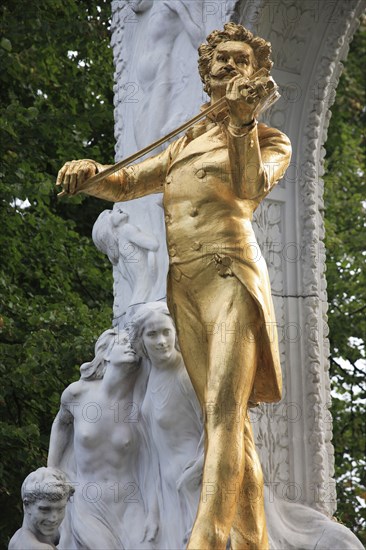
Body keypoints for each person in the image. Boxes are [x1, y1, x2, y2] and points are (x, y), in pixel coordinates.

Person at [56, 22, 291, 550]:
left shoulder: (270, 138)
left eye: (239, 60)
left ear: (255, 74)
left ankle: (203, 541)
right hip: (184, 285)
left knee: (225, 413)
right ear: (207, 73)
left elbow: (249, 189)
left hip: (232, 276)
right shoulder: (185, 140)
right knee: (223, 424)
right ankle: (254, 543)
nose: (228, 67)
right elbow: (126, 181)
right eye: (220, 61)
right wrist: (89, 174)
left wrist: (244, 123)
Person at [48, 329, 157, 549]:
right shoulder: (78, 394)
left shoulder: (139, 403)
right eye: (124, 342)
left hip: (130, 504)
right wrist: (52, 469)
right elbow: (61, 423)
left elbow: (153, 462)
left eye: (133, 344)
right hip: (88, 504)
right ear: (105, 353)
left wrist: (154, 511)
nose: (130, 347)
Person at [129, 302, 203, 549]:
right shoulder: (150, 378)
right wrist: (153, 510)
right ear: (141, 341)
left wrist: (195, 474)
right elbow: (153, 450)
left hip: (193, 483)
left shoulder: (188, 375)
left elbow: (218, 428)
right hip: (167, 487)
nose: (161, 341)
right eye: (152, 334)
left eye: (166, 332)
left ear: (176, 332)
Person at [8, 467, 74, 550]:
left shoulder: (18, 536)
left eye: (60, 509)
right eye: (45, 510)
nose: (53, 518)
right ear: (27, 504)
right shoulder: (41, 548)